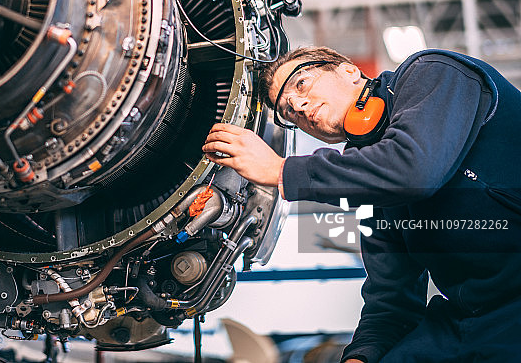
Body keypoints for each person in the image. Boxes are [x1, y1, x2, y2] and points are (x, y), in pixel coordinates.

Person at [202, 46, 521, 363]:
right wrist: (360, 357)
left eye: (301, 84)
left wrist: (282, 170)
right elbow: (392, 304)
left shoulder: (435, 71)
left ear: (348, 70)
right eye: (288, 113)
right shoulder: (372, 188)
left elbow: (413, 170)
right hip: (476, 322)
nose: (298, 106)